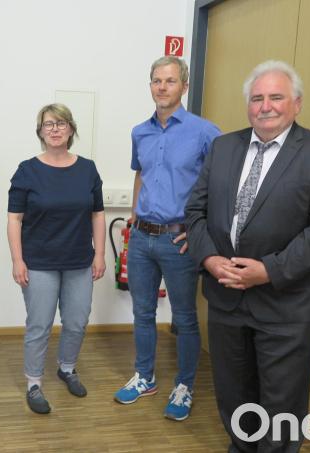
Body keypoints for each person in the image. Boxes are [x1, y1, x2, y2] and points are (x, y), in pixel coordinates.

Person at [185, 60, 310, 452]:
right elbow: (195, 213)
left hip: (287, 303)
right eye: (257, 98)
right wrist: (209, 259)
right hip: (226, 297)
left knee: (281, 407)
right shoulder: (224, 147)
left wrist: (268, 270)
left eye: (276, 97)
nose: (265, 106)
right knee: (233, 395)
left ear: (297, 103)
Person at [113, 56, 219, 422]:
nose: (162, 87)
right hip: (142, 239)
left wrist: (201, 230)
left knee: (185, 318)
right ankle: (145, 377)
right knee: (142, 312)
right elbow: (141, 174)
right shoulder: (139, 132)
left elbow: (220, 185)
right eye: (157, 80)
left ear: (184, 86)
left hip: (178, 241)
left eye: (170, 81)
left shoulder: (205, 132)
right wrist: (134, 217)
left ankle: (184, 386)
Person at [7, 103, 106, 414]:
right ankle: (34, 383)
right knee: (40, 325)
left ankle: (67, 367)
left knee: (77, 322)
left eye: (61, 123)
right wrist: (17, 260)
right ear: (40, 131)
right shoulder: (27, 170)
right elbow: (14, 219)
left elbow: (98, 213)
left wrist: (100, 254)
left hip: (79, 260)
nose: (54, 129)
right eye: (48, 124)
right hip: (39, 262)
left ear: (71, 129)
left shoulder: (87, 169)